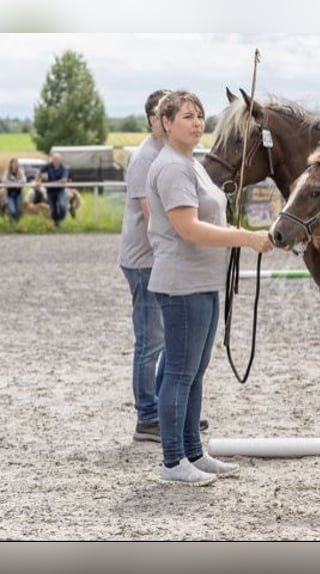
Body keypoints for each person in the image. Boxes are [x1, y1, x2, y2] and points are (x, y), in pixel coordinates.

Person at [147, 90, 273, 485]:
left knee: (193, 370)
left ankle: (192, 452)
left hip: (201, 282)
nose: (197, 122)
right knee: (181, 372)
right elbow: (188, 229)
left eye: (200, 116)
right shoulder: (172, 168)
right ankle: (172, 461)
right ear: (167, 123)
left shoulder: (192, 164)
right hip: (182, 283)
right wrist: (245, 238)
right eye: (187, 116)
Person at [119, 89, 212, 443]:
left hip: (158, 257)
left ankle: (165, 412)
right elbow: (153, 215)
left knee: (166, 342)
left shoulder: (171, 154)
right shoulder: (147, 159)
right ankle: (148, 414)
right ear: (155, 120)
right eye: (167, 115)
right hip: (145, 259)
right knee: (151, 340)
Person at [38, 152, 69, 226]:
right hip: (50, 191)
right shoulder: (48, 166)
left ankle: (61, 217)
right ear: (52, 159)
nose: (55, 161)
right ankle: (56, 223)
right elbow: (39, 173)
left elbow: (64, 180)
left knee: (62, 205)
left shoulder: (64, 168)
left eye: (57, 159)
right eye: (54, 159)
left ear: (60, 160)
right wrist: (37, 181)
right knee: (53, 208)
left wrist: (52, 182)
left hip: (60, 190)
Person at [1, 158, 26, 222]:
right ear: (11, 164)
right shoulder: (7, 172)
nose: (15, 165)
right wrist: (13, 183)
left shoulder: (20, 171)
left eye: (16, 164)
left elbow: (24, 180)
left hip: (18, 194)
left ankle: (17, 225)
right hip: (9, 194)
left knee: (18, 210)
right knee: (12, 210)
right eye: (13, 163)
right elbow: (4, 180)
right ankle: (11, 223)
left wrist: (17, 183)